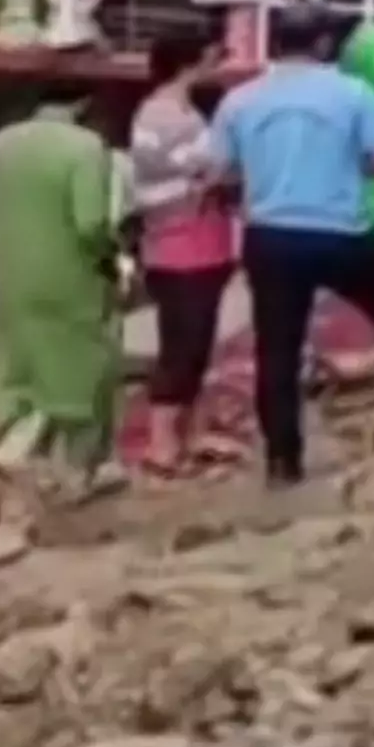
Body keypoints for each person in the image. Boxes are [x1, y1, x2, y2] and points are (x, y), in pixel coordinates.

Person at [211, 6, 374, 491]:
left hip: (272, 236)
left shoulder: (240, 100)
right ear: (321, 45)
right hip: (342, 231)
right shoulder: (353, 94)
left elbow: (222, 173)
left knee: (277, 346)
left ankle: (283, 460)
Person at [0, 86, 124, 484]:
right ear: (85, 105)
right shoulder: (85, 148)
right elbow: (90, 224)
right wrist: (113, 258)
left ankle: (20, 449)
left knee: (24, 366)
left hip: (10, 275)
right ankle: (77, 471)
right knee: (85, 370)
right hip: (71, 277)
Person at [121, 25, 238, 478]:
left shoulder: (164, 112)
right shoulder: (172, 118)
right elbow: (210, 171)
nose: (216, 62)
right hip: (183, 242)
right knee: (183, 346)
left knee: (192, 343)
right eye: (211, 55)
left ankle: (180, 437)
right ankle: (162, 445)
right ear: (191, 61)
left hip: (188, 242)